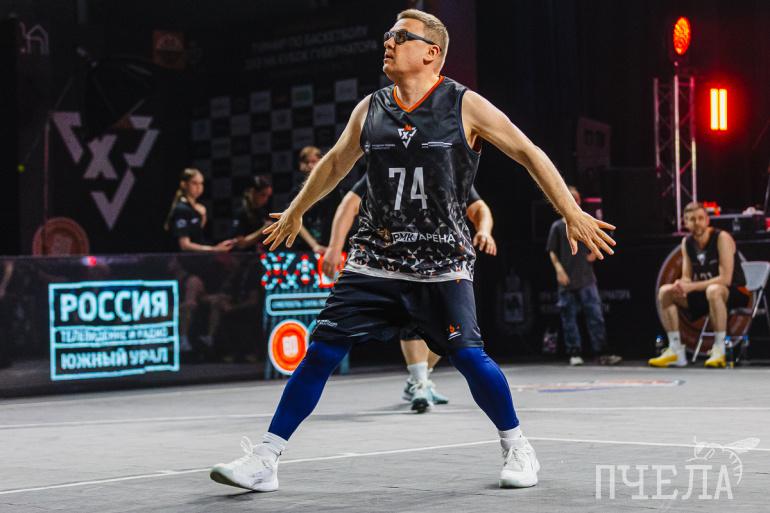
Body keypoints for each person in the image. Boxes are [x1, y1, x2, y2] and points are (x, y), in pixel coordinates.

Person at [210, 9, 615, 492]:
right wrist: (297, 211)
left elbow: (530, 152)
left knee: (469, 357)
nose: (388, 42)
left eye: (400, 37)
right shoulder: (371, 108)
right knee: (321, 352)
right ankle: (265, 459)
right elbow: (335, 163)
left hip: (441, 264)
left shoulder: (463, 104)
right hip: (375, 260)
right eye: (387, 35)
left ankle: (517, 447)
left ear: (431, 53)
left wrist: (570, 211)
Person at [322, 176, 498, 412]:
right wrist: (334, 247)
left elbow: (479, 208)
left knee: (451, 334)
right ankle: (420, 383)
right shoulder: (388, 166)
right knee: (409, 323)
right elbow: (349, 204)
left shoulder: (448, 170)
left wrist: (485, 231)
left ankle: (420, 377)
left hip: (442, 264)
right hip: (395, 261)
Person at [649, 201, 749, 368]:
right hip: (706, 293)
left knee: (714, 290)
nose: (697, 223)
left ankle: (720, 349)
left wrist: (691, 287)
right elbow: (687, 277)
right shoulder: (687, 243)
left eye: (700, 218)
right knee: (665, 291)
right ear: (685, 222)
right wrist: (681, 284)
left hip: (734, 292)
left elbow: (725, 279)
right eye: (692, 219)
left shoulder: (721, 238)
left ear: (707, 220)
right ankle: (676, 350)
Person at [547, 186, 622, 366]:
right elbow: (552, 251)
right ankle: (574, 352)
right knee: (569, 318)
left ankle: (601, 352)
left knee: (595, 316)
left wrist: (594, 254)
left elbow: (599, 238)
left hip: (586, 278)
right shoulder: (557, 226)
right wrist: (559, 270)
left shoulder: (585, 222)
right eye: (570, 198)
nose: (574, 201)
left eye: (576, 199)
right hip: (567, 279)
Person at [164, 168, 235, 253]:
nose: (199, 187)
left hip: (196, 258)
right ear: (184, 184)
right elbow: (184, 245)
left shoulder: (198, 209)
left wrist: (203, 216)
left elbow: (196, 237)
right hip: (182, 259)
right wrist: (214, 249)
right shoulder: (182, 209)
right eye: (194, 183)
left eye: (201, 183)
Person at [232, 176, 274, 251]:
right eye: (263, 195)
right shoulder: (241, 213)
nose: (266, 199)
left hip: (260, 255)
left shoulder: (262, 212)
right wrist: (264, 229)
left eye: (268, 196)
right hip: (244, 256)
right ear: (253, 192)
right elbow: (240, 243)